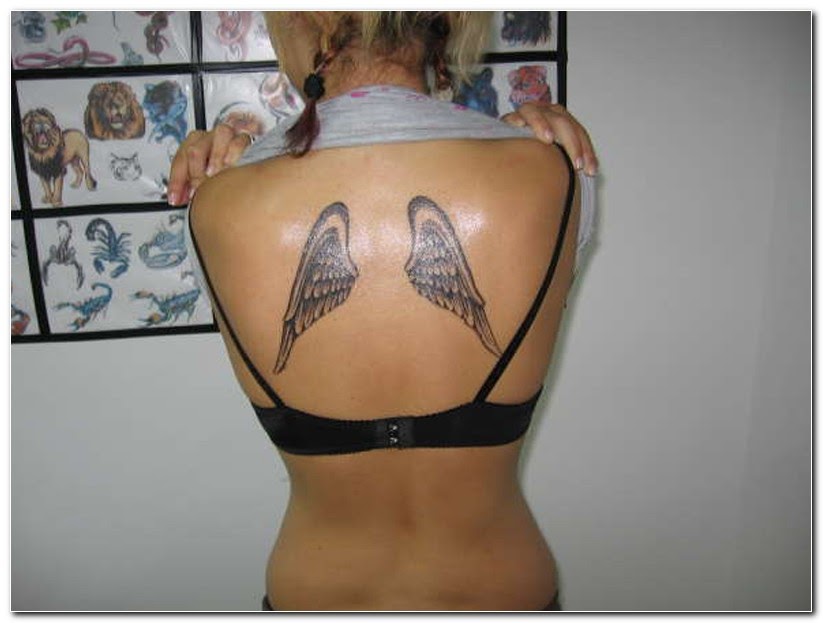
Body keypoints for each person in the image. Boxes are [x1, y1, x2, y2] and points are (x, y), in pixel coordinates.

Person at [184, 12, 595, 611]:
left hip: (317, 592)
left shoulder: (213, 198)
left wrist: (231, 161)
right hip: (501, 589)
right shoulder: (554, 169)